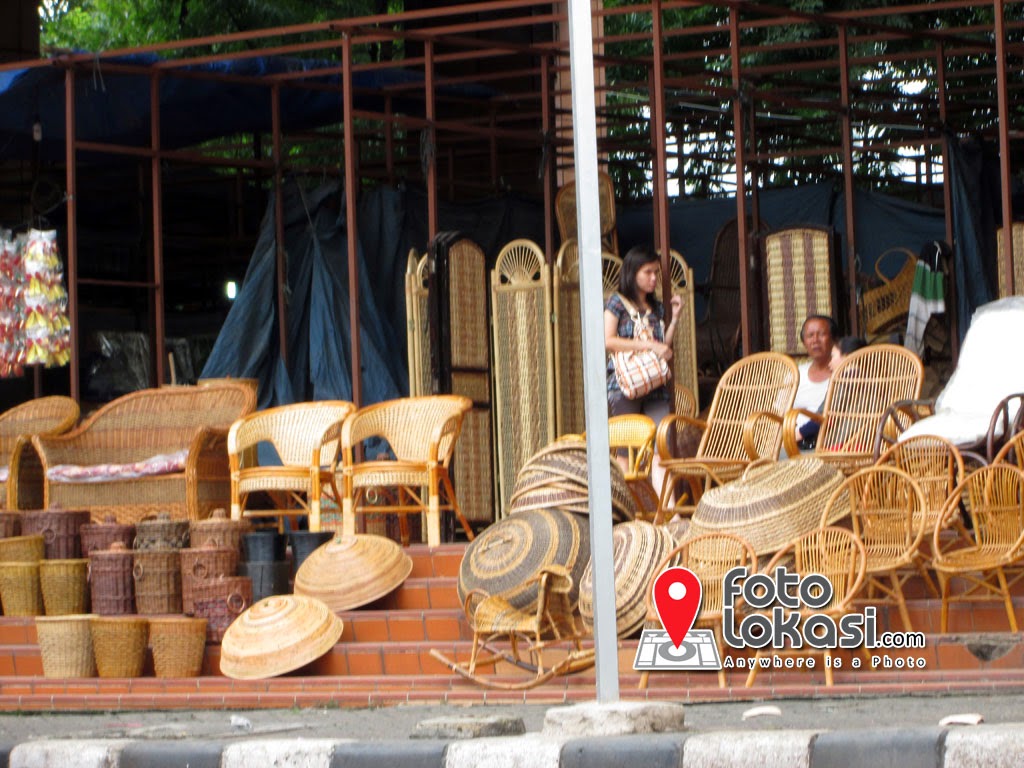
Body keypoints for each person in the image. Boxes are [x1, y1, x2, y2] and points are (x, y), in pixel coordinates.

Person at [604, 244, 683, 495]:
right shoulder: (617, 302)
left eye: (656, 273)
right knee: (625, 449)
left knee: (661, 446)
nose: (653, 279)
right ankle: (626, 509)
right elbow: (608, 341)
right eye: (648, 272)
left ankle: (667, 512)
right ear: (633, 272)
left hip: (655, 384)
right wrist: (646, 345)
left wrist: (676, 318)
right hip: (626, 385)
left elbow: (662, 347)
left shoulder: (656, 307)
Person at [798, 334, 868, 449]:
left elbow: (825, 417)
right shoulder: (874, 380)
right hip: (867, 444)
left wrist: (796, 435)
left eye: (833, 356)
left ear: (847, 356)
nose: (830, 363)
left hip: (840, 446)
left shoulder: (845, 381)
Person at [792, 314, 838, 449]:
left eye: (822, 334)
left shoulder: (843, 376)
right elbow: (780, 412)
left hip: (828, 442)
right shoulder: (796, 374)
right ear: (804, 342)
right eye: (810, 335)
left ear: (833, 340)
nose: (815, 340)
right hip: (793, 441)